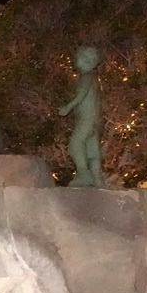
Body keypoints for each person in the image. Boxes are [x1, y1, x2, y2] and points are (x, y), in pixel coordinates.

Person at [58, 45, 104, 188]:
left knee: (75, 144)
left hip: (86, 119)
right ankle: (97, 177)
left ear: (86, 60)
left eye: (77, 57)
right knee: (92, 149)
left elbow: (81, 94)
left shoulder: (86, 76)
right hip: (94, 120)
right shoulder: (95, 79)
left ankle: (84, 173)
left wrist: (68, 106)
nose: (75, 60)